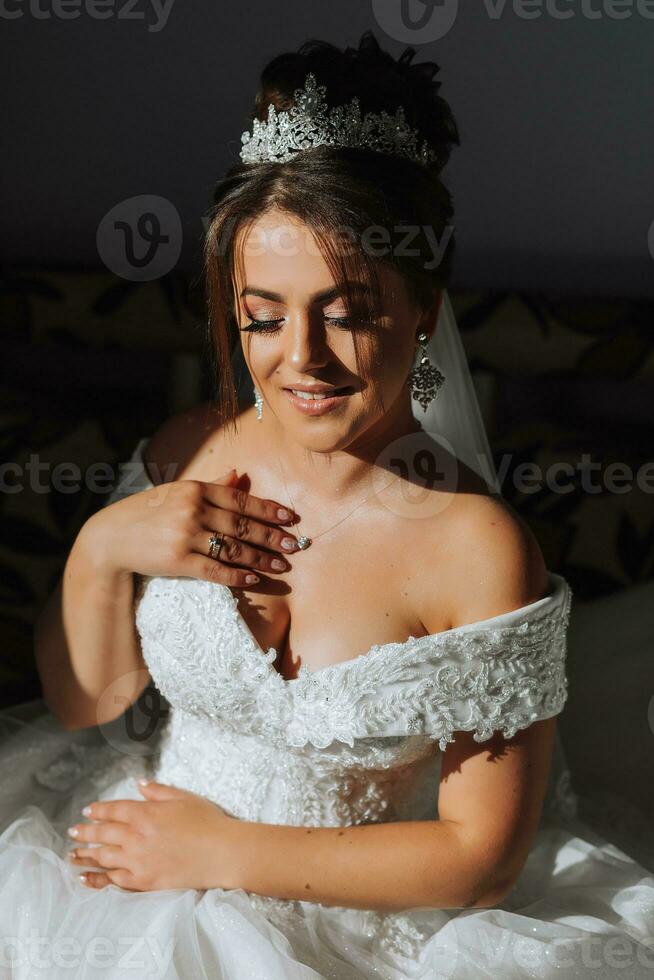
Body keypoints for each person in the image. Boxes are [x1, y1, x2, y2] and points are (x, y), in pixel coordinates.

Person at [1, 31, 653, 980]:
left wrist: (218, 852)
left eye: (346, 312)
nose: (300, 358)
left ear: (424, 310)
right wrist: (101, 549)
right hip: (124, 870)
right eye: (263, 316)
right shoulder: (190, 450)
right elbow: (86, 701)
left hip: (358, 923)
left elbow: (479, 863)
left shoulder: (475, 548)